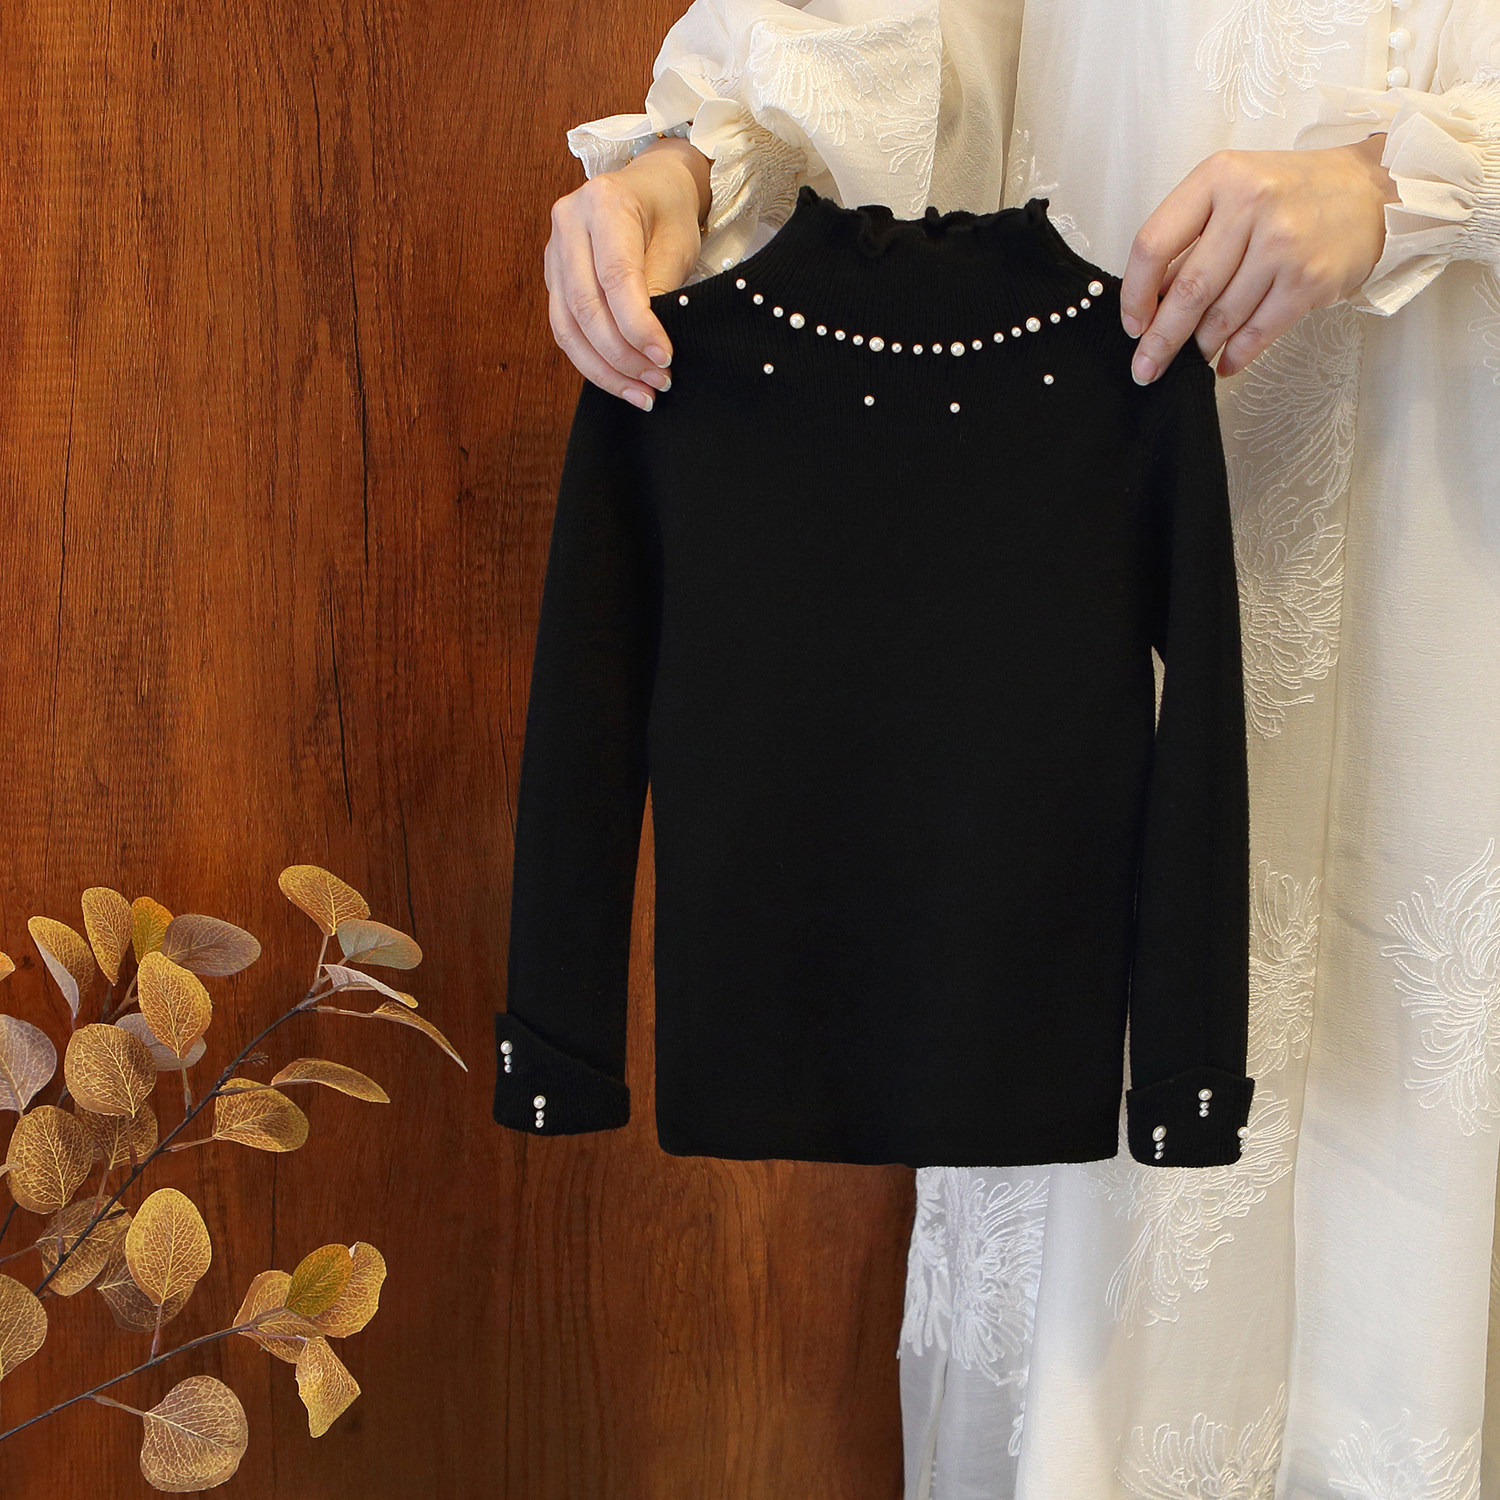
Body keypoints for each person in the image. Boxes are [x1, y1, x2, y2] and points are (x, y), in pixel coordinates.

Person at [543, 4, 1500, 1495]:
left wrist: (1410, 177)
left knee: (1415, 1166)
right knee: (1113, 1288)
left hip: (1447, 447)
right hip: (1097, 356)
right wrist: (691, 162)